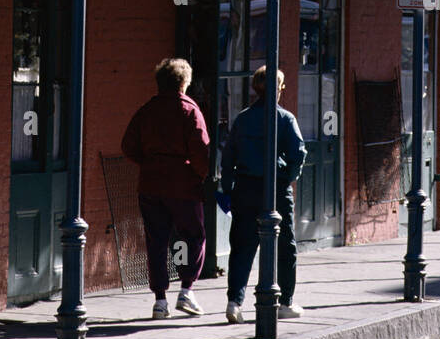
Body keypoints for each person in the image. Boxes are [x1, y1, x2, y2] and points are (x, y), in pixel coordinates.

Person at [121, 57, 210, 319]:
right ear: (184, 82)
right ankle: (186, 290)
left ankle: (160, 300)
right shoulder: (190, 110)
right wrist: (198, 174)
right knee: (191, 236)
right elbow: (201, 150)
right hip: (182, 184)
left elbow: (128, 145)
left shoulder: (146, 110)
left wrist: (148, 162)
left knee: (157, 241)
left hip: (150, 184)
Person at [220, 65, 306, 324]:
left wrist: (228, 188)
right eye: (281, 87)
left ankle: (234, 301)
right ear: (277, 89)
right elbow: (298, 153)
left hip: (245, 187)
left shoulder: (243, 118)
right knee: (285, 245)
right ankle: (285, 301)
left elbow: (228, 157)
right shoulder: (285, 118)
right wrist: (289, 176)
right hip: (275, 188)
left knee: (242, 246)